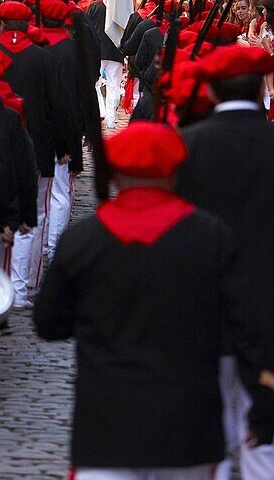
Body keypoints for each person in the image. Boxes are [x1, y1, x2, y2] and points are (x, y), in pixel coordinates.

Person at [34, 122, 274, 479]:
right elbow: (247, 327)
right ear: (176, 173)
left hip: (106, 422)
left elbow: (49, 324)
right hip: (188, 423)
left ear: (113, 175)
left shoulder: (82, 241)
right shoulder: (212, 238)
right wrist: (263, 403)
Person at [176, 44, 274, 480]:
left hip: (201, 302)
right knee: (265, 437)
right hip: (268, 303)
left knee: (204, 432)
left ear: (212, 92)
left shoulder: (185, 147)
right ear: (263, 87)